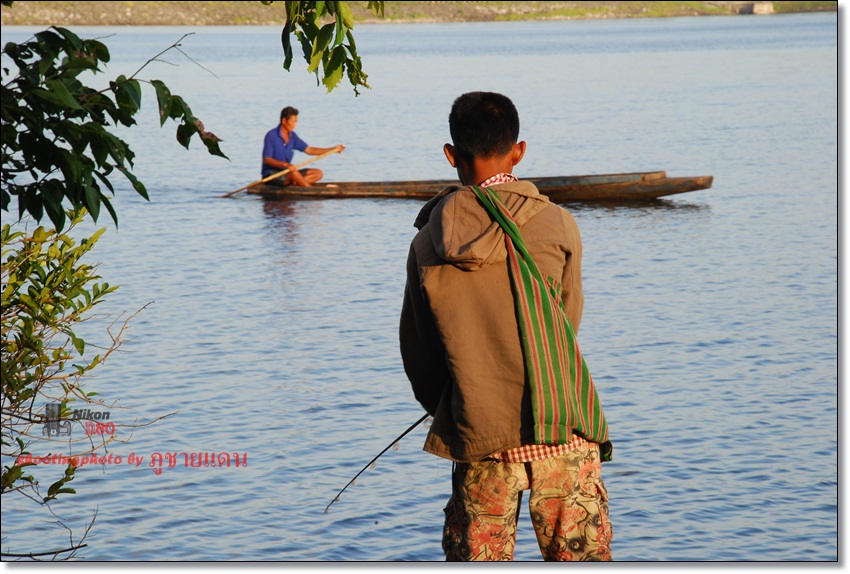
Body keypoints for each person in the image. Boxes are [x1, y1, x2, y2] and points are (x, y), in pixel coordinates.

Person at [399, 92, 613, 561]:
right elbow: (566, 321)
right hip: (563, 430)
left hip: (480, 438)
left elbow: (420, 354)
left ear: (452, 155)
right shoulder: (559, 224)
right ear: (518, 151)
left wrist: (459, 398)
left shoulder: (427, 243)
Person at [261, 106, 345, 186]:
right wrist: (285, 165)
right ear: (284, 121)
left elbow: (309, 150)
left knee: (318, 173)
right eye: (293, 121)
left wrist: (333, 149)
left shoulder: (292, 136)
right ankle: (309, 190)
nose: (295, 124)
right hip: (271, 175)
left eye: (296, 121)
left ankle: (295, 184)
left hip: (288, 173)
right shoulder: (271, 136)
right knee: (294, 173)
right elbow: (266, 159)